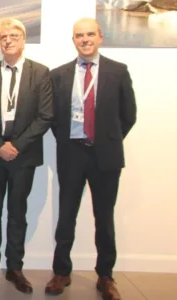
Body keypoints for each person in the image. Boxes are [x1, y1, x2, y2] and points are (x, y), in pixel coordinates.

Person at [45, 18, 136, 300]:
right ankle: (61, 271)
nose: (84, 40)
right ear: (73, 40)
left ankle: (106, 276)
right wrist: (70, 139)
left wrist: (106, 140)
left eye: (89, 35)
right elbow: (53, 117)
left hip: (105, 156)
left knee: (104, 217)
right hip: (72, 153)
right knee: (66, 214)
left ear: (100, 37)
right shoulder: (58, 74)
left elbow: (129, 114)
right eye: (79, 36)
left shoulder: (118, 71)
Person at [0, 18, 53, 294]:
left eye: (13, 35)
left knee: (17, 214)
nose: (8, 40)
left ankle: (15, 268)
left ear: (23, 39)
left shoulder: (41, 72)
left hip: (24, 155)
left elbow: (45, 116)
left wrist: (15, 145)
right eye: (3, 36)